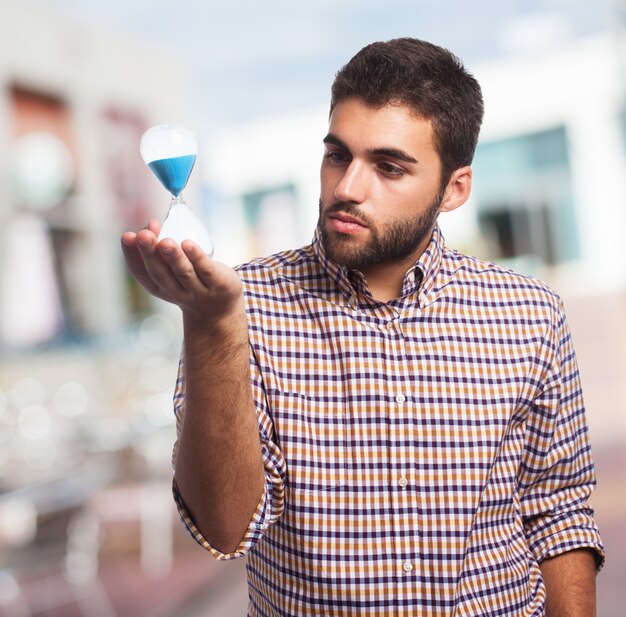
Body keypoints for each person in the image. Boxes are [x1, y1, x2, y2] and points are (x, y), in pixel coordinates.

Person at [122, 38, 604, 616]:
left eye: (389, 167)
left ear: (455, 189)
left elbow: (557, 511)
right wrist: (211, 326)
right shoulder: (236, 304)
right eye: (337, 156)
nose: (348, 187)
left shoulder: (531, 313)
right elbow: (225, 531)